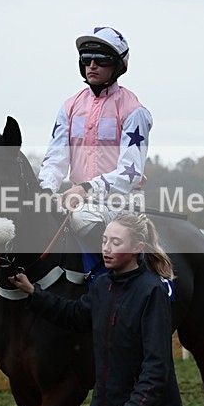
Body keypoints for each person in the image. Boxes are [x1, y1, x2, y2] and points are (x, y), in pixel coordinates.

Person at [9, 214, 184, 406]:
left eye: (115, 242)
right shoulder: (102, 286)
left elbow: (157, 362)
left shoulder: (152, 291)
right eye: (104, 240)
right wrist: (33, 292)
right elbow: (73, 315)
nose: (106, 248)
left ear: (137, 248)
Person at [37, 26, 153, 255]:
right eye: (87, 59)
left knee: (82, 217)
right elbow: (55, 159)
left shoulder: (134, 111)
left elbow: (131, 172)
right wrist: (45, 192)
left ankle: (113, 281)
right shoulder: (69, 106)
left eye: (101, 60)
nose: (92, 65)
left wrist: (87, 189)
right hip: (77, 199)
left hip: (120, 204)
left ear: (117, 66)